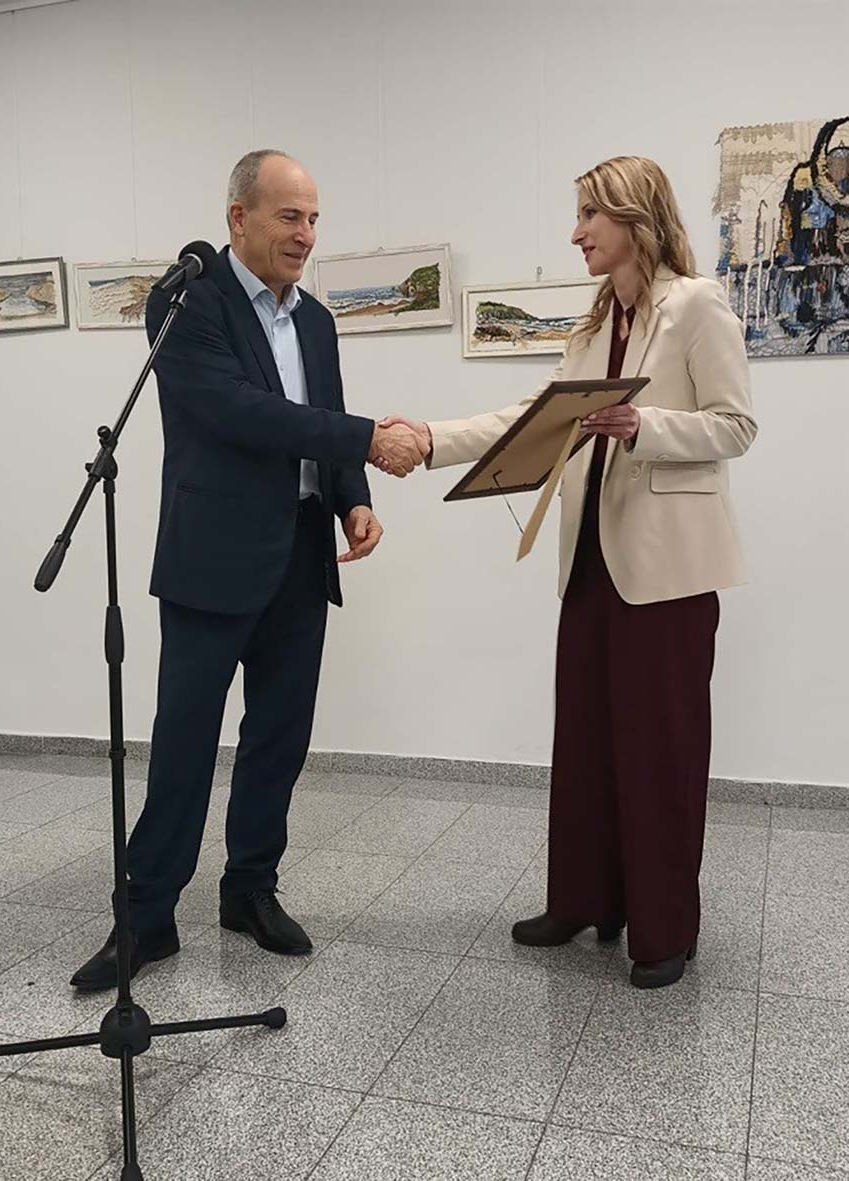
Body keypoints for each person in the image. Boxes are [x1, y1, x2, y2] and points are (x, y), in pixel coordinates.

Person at [378, 157, 756, 989]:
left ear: (634, 217)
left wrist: (644, 424)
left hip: (668, 570)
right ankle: (584, 900)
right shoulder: (592, 327)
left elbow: (735, 425)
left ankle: (664, 927)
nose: (576, 231)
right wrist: (432, 438)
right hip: (588, 559)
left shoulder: (697, 304)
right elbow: (532, 417)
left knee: (659, 751)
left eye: (590, 214)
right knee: (585, 739)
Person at [71, 150, 426, 991]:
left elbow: (320, 415)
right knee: (185, 742)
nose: (305, 235)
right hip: (212, 557)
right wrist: (368, 437)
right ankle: (147, 915)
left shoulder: (317, 322)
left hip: (300, 554)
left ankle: (250, 890)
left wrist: (352, 498)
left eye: (313, 219)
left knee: (279, 736)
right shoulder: (186, 303)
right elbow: (239, 412)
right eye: (288, 216)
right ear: (239, 218)